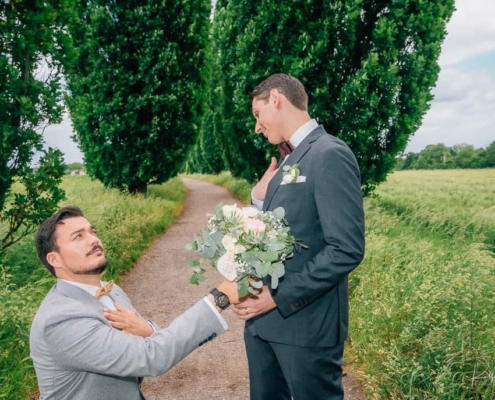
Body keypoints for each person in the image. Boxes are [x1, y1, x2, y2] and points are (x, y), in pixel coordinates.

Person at [233, 74, 365, 400]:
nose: (257, 127)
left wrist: (277, 296)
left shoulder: (329, 153)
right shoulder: (287, 158)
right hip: (262, 327)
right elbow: (285, 232)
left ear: (276, 99)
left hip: (306, 330)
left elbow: (345, 249)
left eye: (257, 114)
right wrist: (258, 201)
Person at [30, 206, 238, 400]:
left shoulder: (113, 291)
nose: (93, 240)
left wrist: (148, 328)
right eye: (78, 237)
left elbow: (147, 340)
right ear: (55, 259)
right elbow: (150, 356)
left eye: (92, 232)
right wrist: (220, 298)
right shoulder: (60, 320)